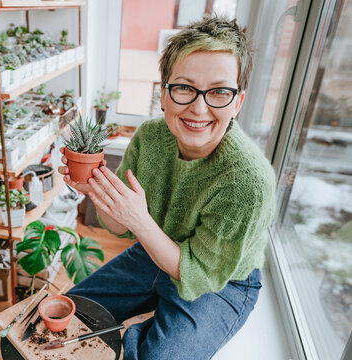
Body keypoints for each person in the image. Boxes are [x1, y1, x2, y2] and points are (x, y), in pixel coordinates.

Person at [59, 16, 276, 360]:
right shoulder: (149, 138)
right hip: (153, 252)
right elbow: (117, 226)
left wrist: (141, 221)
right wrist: (96, 192)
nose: (199, 107)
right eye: (185, 87)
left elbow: (198, 275)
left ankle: (134, 338)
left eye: (219, 91)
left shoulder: (247, 180)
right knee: (73, 313)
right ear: (163, 94)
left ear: (237, 101)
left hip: (221, 280)